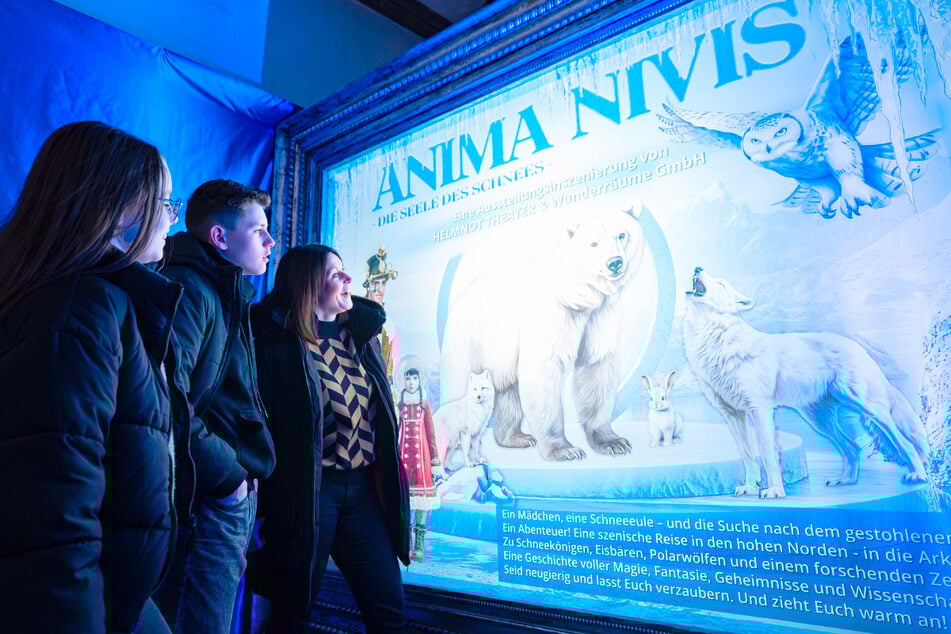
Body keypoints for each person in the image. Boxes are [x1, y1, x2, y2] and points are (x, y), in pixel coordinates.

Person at [0, 121, 182, 633]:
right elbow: (53, 525)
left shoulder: (82, 302)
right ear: (119, 207)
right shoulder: (80, 310)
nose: (171, 218)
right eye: (164, 202)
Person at [250, 244, 410, 634]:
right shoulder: (274, 343)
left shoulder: (361, 332)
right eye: (336, 273)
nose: (348, 280)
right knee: (292, 613)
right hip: (309, 493)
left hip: (362, 492)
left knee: (388, 611)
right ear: (309, 284)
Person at [154, 179, 277, 633]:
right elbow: (164, 396)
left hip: (219, 491)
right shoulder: (191, 288)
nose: (270, 241)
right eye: (258, 230)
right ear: (220, 238)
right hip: (207, 496)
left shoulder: (223, 290)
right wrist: (227, 476)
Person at [397, 365, 442, 561]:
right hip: (403, 458)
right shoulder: (399, 405)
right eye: (408, 379)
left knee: (422, 501)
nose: (411, 383)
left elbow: (431, 433)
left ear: (419, 380)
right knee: (404, 502)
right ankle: (405, 545)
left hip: (422, 461)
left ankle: (420, 545)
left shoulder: (425, 405)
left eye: (414, 379)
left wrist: (434, 459)